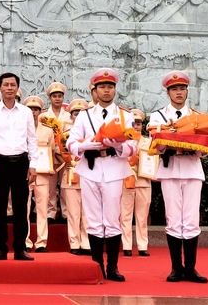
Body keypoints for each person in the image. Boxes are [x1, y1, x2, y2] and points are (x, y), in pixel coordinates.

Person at [67, 69, 137, 282]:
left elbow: (134, 146)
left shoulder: (126, 115)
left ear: (115, 89)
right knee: (94, 220)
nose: (106, 91)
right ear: (95, 91)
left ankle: (113, 266)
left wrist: (118, 146)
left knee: (112, 219)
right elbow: (71, 143)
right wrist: (88, 144)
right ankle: (97, 266)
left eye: (110, 87)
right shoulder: (85, 115)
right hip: (90, 168)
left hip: (115, 167)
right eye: (102, 87)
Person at [148, 71, 208, 283]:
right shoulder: (158, 117)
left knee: (191, 220)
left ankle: (191, 269)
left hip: (192, 169)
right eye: (174, 89)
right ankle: (176, 268)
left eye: (182, 89)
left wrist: (194, 144)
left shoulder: (198, 116)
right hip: (170, 169)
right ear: (168, 92)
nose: (179, 92)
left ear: (187, 91)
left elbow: (204, 149)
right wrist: (169, 137)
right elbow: (155, 146)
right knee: (174, 219)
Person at [0, 73, 38, 261]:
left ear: (17, 88)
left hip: (21, 162)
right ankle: (0, 247)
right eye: (6, 85)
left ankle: (21, 248)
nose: (9, 88)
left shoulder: (26, 112)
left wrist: (34, 165)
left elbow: (32, 139)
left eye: (13, 85)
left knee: (22, 208)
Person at [23, 96, 55, 253]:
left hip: (42, 175)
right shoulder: (19, 129)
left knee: (42, 209)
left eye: (36, 109)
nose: (33, 112)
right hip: (24, 174)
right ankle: (26, 241)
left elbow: (52, 152)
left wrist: (50, 165)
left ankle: (41, 242)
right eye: (30, 109)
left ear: (40, 111)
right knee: (24, 209)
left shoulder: (48, 131)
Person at [60, 99, 91, 256]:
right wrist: (66, 162)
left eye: (81, 113)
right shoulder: (64, 135)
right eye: (75, 113)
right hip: (70, 176)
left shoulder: (92, 134)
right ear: (70, 116)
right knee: (73, 213)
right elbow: (58, 153)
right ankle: (74, 243)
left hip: (87, 176)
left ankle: (86, 243)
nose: (78, 115)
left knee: (87, 213)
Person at [121, 109, 152, 258]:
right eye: (133, 123)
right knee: (125, 215)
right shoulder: (122, 141)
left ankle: (142, 245)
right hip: (126, 181)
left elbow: (153, 161)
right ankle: (126, 245)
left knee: (142, 217)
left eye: (138, 123)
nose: (136, 126)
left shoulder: (148, 142)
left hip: (143, 182)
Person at [42, 82, 72, 222]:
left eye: (60, 96)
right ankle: (50, 214)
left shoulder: (69, 117)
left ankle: (66, 213)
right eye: (54, 96)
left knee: (66, 187)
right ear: (49, 98)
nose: (57, 99)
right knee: (50, 188)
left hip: (65, 157)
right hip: (49, 158)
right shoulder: (43, 116)